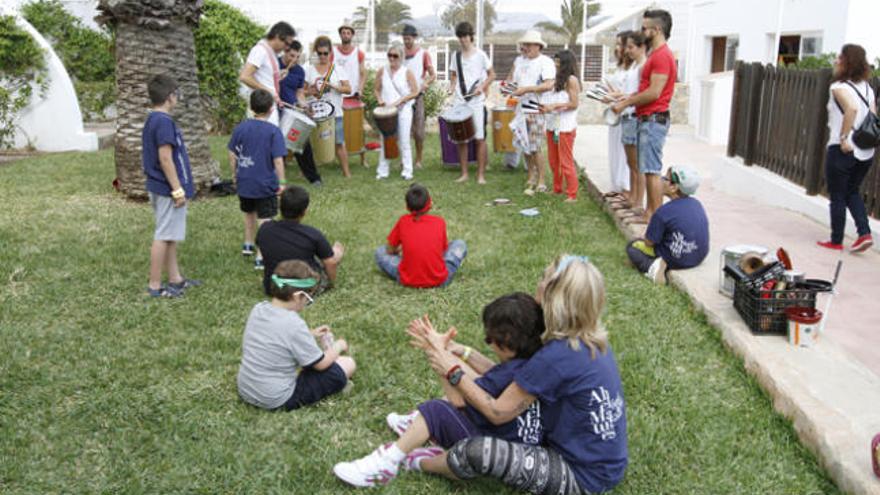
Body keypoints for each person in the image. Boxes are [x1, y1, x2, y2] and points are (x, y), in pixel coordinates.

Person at [408, 255, 628, 494]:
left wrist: (450, 369)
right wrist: (460, 352)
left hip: (581, 476)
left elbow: (497, 411)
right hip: (606, 465)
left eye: (544, 277)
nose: (538, 282)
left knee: (479, 451)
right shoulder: (587, 339)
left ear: (555, 295)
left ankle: (418, 462)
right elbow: (512, 380)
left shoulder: (557, 355)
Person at [333, 293, 545, 487]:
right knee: (461, 381)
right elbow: (488, 377)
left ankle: (386, 463)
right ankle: (417, 428)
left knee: (436, 410)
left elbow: (458, 400)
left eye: (489, 338)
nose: (488, 342)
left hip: (491, 445)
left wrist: (437, 357)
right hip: (519, 445)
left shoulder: (508, 374)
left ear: (505, 341)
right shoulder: (535, 362)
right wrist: (450, 352)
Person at [237, 260, 355, 411]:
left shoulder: (259, 309)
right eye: (308, 300)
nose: (306, 304)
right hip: (276, 398)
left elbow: (275, 333)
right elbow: (321, 364)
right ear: (298, 296)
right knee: (348, 363)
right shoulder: (294, 324)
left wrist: (310, 334)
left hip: (246, 389)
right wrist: (338, 346)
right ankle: (339, 383)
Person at [612, 9, 676, 223]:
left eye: (645, 28)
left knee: (651, 170)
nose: (642, 31)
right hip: (647, 118)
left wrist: (627, 103)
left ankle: (653, 215)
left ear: (657, 30)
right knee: (647, 169)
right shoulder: (657, 55)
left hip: (654, 118)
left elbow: (654, 92)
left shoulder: (663, 56)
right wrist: (627, 99)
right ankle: (649, 212)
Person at [143, 74, 201, 298]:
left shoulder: (152, 119)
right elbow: (165, 158)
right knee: (163, 235)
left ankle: (176, 278)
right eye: (176, 94)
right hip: (166, 188)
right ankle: (155, 285)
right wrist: (177, 190)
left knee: (170, 234)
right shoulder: (164, 122)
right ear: (169, 97)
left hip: (158, 186)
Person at [817, 43, 875, 253]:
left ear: (847, 62)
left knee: (838, 195)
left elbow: (850, 108)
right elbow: (874, 117)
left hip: (843, 149)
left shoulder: (838, 87)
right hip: (865, 151)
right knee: (852, 191)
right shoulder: (868, 89)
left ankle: (836, 240)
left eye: (839, 58)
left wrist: (843, 137)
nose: (836, 61)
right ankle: (864, 233)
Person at [228, 89, 287, 271]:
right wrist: (282, 182)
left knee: (249, 212)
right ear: (271, 109)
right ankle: (261, 256)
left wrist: (235, 174)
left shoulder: (241, 128)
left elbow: (232, 153)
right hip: (265, 183)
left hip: (245, 180)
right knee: (266, 219)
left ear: (251, 107)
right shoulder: (273, 131)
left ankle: (248, 244)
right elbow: (278, 160)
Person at [626, 165, 709, 285]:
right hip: (698, 256)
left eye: (665, 178)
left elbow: (649, 242)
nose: (660, 180)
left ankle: (655, 268)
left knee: (632, 247)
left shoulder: (663, 212)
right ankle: (662, 262)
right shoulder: (697, 204)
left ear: (673, 187)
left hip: (676, 259)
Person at [374, 184, 467, 288]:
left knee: (380, 251)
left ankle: (411, 268)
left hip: (408, 279)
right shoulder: (439, 222)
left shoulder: (403, 221)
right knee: (460, 244)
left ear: (407, 207)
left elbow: (389, 250)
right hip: (440, 280)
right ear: (430, 203)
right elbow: (442, 251)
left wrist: (400, 252)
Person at [256, 186, 344, 296]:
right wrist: (331, 284)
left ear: (280, 207)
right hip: (303, 290)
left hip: (273, 287)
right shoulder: (312, 234)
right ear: (304, 211)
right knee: (336, 251)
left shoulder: (265, 229)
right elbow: (330, 263)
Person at [511, 30, 556, 196]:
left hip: (536, 108)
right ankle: (531, 175)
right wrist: (511, 90)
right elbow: (515, 82)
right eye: (525, 44)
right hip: (521, 109)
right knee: (525, 145)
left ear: (538, 46)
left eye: (529, 44)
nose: (526, 47)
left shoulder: (545, 62)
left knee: (535, 146)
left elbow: (549, 84)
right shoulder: (521, 62)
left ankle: (542, 179)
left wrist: (527, 89)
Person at [448, 21, 494, 184]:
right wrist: (452, 87)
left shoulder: (481, 55)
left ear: (471, 36)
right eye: (460, 37)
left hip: (476, 102)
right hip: (460, 101)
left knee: (479, 139)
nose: (462, 40)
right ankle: (464, 174)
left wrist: (482, 87)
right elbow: (453, 75)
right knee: (462, 139)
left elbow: (492, 75)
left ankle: (481, 176)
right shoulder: (456, 56)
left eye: (465, 36)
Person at [614, 31, 649, 225]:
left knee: (637, 164)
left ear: (641, 46)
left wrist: (626, 100)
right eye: (626, 47)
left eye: (631, 47)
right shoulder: (635, 66)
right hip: (627, 115)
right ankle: (633, 198)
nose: (627, 51)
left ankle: (638, 201)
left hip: (635, 115)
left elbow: (640, 93)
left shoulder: (643, 66)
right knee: (631, 163)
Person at [306, 35, 353, 178]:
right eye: (319, 53)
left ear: (330, 52)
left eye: (325, 53)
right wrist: (312, 90)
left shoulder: (337, 69)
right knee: (312, 144)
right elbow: (302, 91)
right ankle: (309, 171)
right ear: (316, 52)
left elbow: (348, 89)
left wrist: (333, 86)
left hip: (335, 112)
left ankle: (346, 172)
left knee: (339, 143)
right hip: (315, 113)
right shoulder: (309, 70)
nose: (322, 56)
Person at [278, 40, 322, 186]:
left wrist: (305, 106)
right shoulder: (274, 65)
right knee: (277, 145)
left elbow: (299, 93)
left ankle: (313, 178)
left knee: (301, 142)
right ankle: (276, 179)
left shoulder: (299, 71)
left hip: (292, 110)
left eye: (297, 57)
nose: (294, 60)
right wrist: (277, 77)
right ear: (285, 52)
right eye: (292, 56)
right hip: (275, 110)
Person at [374, 42, 420, 180]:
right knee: (386, 140)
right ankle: (383, 171)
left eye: (395, 56)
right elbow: (376, 89)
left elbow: (415, 91)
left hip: (403, 110)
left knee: (404, 141)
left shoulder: (407, 71)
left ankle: (407, 171)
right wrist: (380, 100)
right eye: (390, 55)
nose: (392, 58)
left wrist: (401, 101)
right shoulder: (382, 70)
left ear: (401, 57)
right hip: (387, 111)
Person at [542, 49, 581, 203]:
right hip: (553, 125)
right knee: (553, 160)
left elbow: (574, 104)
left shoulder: (571, 80)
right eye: (555, 61)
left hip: (565, 126)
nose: (555, 63)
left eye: (558, 61)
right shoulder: (557, 79)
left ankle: (572, 193)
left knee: (565, 160)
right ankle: (557, 188)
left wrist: (554, 106)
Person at [239, 22, 296, 126]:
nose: (286, 48)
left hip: (269, 106)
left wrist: (278, 75)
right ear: (278, 36)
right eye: (286, 44)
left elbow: (264, 77)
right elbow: (245, 76)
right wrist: (268, 91)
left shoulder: (271, 52)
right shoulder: (260, 50)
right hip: (261, 107)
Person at [402, 24, 436, 169]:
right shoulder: (399, 53)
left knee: (419, 131)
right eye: (404, 39)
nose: (406, 41)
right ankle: (405, 160)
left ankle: (419, 160)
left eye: (409, 39)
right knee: (403, 130)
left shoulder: (424, 54)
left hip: (418, 97)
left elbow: (432, 74)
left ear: (414, 38)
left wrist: (425, 83)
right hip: (403, 97)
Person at [604, 32, 632, 203]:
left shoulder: (634, 68)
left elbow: (630, 92)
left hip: (627, 112)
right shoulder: (619, 67)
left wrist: (614, 95)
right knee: (614, 150)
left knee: (624, 153)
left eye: (620, 45)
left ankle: (626, 188)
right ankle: (616, 186)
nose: (617, 48)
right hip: (614, 112)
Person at [331, 23, 366, 104]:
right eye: (343, 33)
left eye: (348, 33)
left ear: (352, 35)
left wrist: (360, 90)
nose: (346, 35)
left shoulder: (359, 53)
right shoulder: (332, 52)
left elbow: (363, 74)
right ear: (340, 35)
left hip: (353, 96)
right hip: (336, 95)